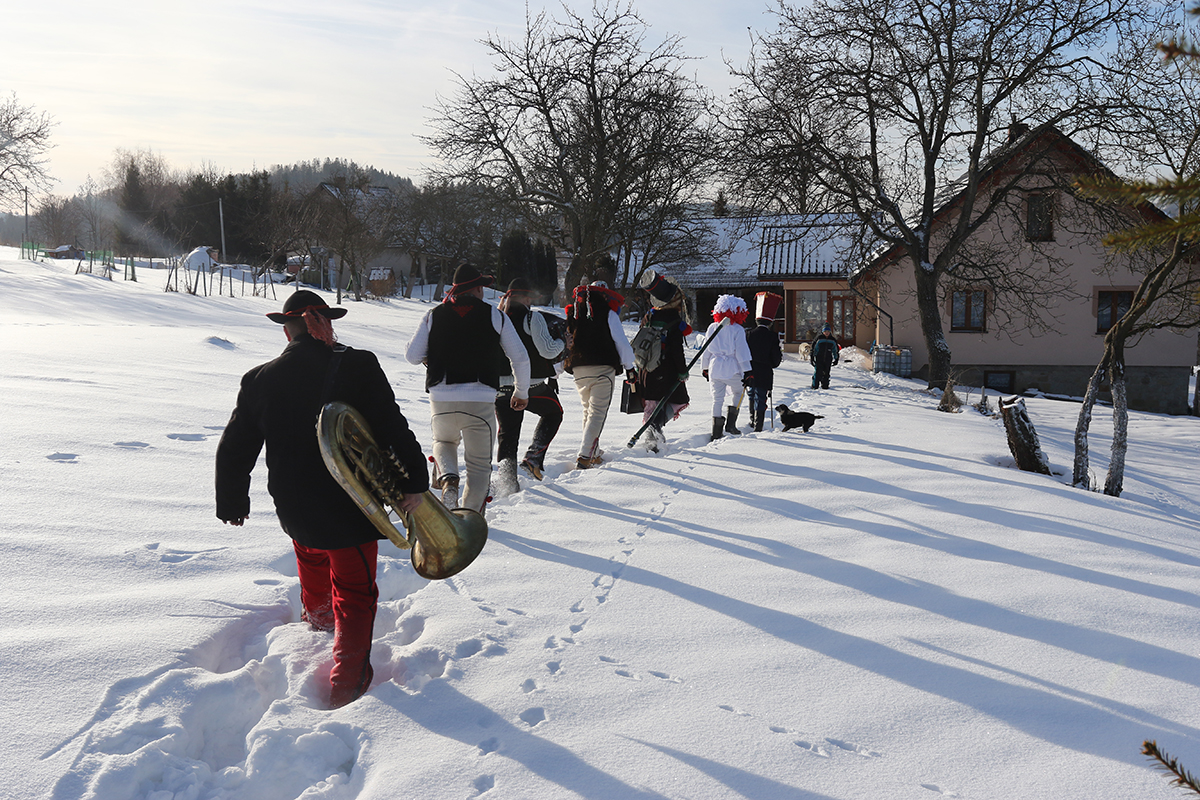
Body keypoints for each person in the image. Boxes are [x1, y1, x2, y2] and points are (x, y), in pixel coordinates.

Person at [215, 289, 429, 709]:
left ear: (288, 329)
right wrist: (415, 482)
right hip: (348, 506)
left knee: (312, 557)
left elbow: (235, 445)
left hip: (293, 505)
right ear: (320, 321)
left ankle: (317, 622)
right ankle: (347, 682)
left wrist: (232, 501)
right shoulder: (358, 365)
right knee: (355, 592)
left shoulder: (260, 377)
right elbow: (391, 427)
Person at [406, 263, 530, 513]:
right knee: (478, 466)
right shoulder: (496, 315)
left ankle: (449, 478)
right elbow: (520, 357)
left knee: (443, 440)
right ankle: (469, 517)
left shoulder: (433, 315)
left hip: (441, 396)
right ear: (477, 290)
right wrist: (521, 391)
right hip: (480, 399)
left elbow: (412, 355)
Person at [494, 278, 566, 490]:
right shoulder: (532, 318)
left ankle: (507, 482)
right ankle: (533, 459)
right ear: (525, 298)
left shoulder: (497, 318)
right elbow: (548, 351)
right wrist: (563, 342)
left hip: (500, 387)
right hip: (531, 385)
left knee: (507, 434)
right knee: (554, 413)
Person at [564, 268, 635, 469]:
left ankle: (593, 452)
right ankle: (585, 455)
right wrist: (630, 367)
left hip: (578, 369)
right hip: (603, 368)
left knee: (588, 410)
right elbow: (621, 342)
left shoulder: (575, 313)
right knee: (597, 413)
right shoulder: (608, 313)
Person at [634, 269, 692, 452]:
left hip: (646, 368)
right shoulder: (673, 319)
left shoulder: (649, 316)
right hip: (665, 368)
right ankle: (653, 429)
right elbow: (676, 349)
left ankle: (652, 434)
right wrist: (682, 371)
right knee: (677, 400)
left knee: (651, 401)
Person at [700, 294, 752, 441]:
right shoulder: (737, 329)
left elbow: (706, 349)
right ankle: (730, 424)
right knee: (739, 392)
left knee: (717, 399)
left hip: (715, 367)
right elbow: (742, 352)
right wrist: (747, 371)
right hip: (732, 368)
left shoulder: (712, 327)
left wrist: (705, 368)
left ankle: (716, 432)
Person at [745, 292, 784, 432]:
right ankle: (758, 426)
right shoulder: (772, 337)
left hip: (749, 369)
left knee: (751, 393)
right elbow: (775, 358)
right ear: (770, 321)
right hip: (764, 371)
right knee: (761, 397)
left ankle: (752, 419)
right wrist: (773, 363)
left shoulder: (748, 334)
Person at [810, 323, 841, 390]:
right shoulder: (819, 339)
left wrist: (836, 358)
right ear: (823, 332)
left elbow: (835, 350)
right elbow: (814, 349)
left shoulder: (832, 340)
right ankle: (815, 386)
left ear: (830, 332)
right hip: (819, 358)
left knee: (826, 372)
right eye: (825, 332)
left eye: (828, 332)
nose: (826, 333)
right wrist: (812, 357)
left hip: (828, 358)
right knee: (818, 372)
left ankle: (825, 385)